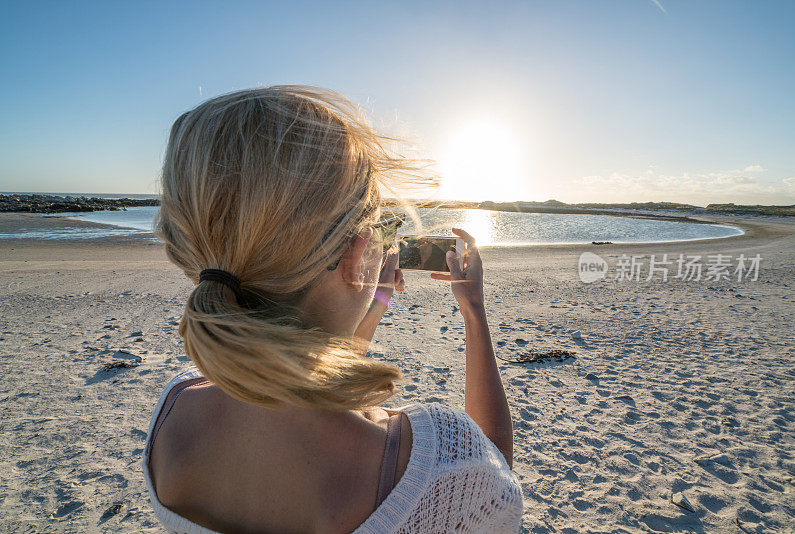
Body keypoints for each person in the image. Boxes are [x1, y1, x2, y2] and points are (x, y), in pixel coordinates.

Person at [142, 86, 524, 533]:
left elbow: (303, 384)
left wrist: (369, 300)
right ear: (360, 249)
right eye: (384, 228)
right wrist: (473, 312)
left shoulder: (173, 419)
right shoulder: (437, 465)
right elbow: (496, 474)